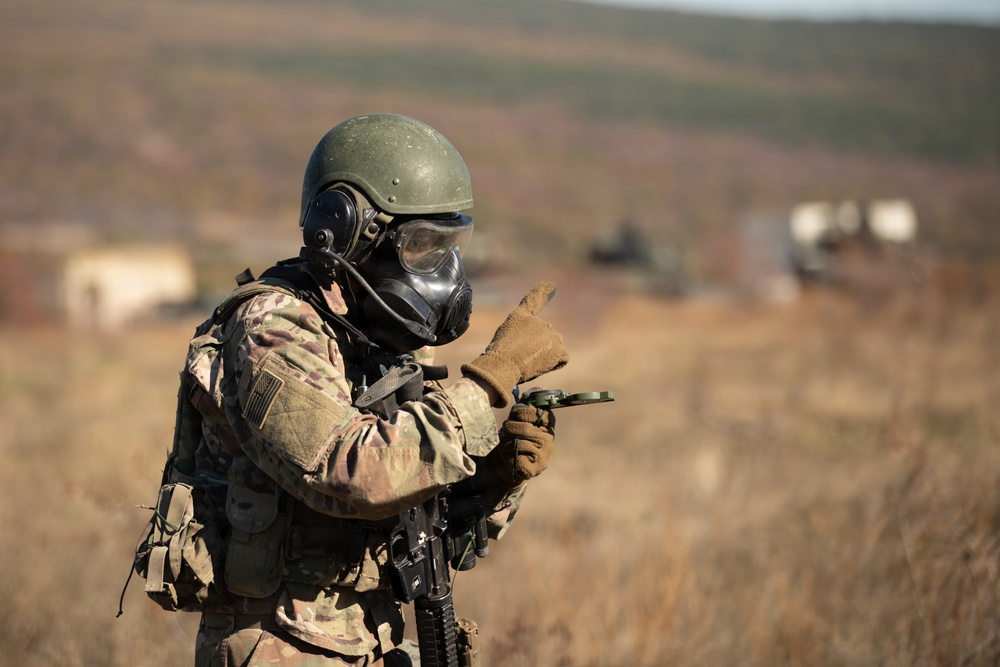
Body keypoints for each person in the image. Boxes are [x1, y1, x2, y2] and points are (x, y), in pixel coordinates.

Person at [162, 113, 569, 666]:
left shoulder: (376, 334)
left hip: (367, 637)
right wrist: (490, 379)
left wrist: (497, 474)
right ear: (348, 230)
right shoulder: (274, 328)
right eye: (422, 246)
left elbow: (417, 503)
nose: (444, 271)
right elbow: (351, 472)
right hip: (282, 644)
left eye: (451, 246)